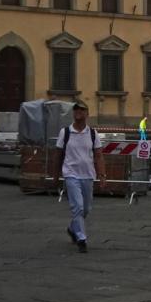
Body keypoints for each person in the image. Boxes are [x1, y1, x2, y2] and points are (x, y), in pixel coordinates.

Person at [55, 101, 106, 253]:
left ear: (87, 113)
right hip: (71, 174)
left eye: (82, 109)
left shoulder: (93, 133)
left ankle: (72, 228)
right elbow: (58, 155)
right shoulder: (65, 132)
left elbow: (99, 155)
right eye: (76, 109)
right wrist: (55, 175)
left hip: (88, 175)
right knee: (78, 206)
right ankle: (81, 239)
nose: (78, 111)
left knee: (86, 208)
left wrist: (102, 175)